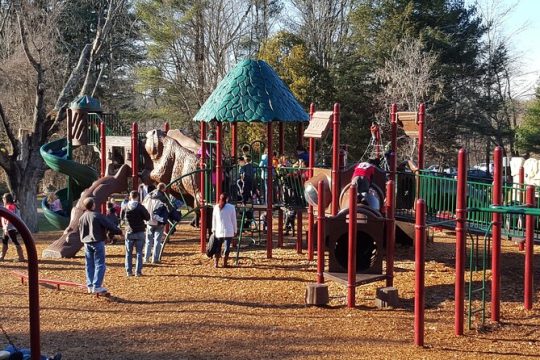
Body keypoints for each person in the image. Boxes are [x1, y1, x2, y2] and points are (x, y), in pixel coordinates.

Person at [78, 197, 122, 294]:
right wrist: (119, 231)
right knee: (100, 264)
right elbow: (109, 225)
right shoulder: (97, 216)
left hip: (86, 243)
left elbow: (80, 230)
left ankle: (90, 285)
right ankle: (97, 286)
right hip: (97, 241)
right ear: (93, 205)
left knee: (89, 264)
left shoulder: (82, 217)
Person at [142, 182, 174, 264]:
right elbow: (169, 208)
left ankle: (146, 258)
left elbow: (143, 205)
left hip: (149, 221)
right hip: (159, 222)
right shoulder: (163, 198)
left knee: (148, 241)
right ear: (163, 188)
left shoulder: (149, 195)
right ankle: (155, 259)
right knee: (157, 241)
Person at [121, 191, 150, 277]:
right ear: (137, 197)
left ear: (130, 197)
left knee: (128, 253)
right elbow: (147, 217)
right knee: (139, 253)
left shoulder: (125, 207)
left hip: (129, 231)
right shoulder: (140, 207)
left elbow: (122, 218)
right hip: (140, 231)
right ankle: (138, 271)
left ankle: (129, 271)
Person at [211, 193, 237, 268]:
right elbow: (233, 220)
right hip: (228, 231)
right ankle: (225, 263)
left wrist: (213, 229)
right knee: (227, 248)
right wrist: (235, 230)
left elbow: (214, 220)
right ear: (227, 199)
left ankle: (216, 263)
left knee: (217, 247)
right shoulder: (231, 207)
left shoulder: (216, 207)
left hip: (219, 231)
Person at [1, 193, 25, 262]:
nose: (2, 199)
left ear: (6, 199)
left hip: (11, 227)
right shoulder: (10, 206)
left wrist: (6, 228)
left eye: (3, 198)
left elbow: (9, 218)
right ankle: (2, 256)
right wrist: (4, 226)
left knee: (14, 241)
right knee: (4, 240)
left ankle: (21, 257)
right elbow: (3, 218)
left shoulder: (10, 206)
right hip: (9, 227)